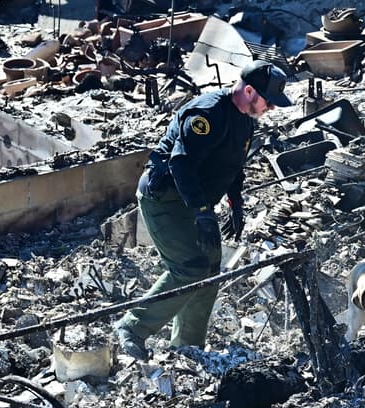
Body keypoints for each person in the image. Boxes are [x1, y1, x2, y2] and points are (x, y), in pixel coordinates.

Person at [114, 60, 293, 360]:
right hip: (165, 199)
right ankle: (131, 328)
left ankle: (187, 346)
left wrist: (235, 202)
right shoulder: (207, 114)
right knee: (189, 268)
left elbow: (233, 164)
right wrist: (202, 213)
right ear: (249, 91)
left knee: (209, 271)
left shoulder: (245, 119)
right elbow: (181, 164)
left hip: (196, 203)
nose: (271, 109)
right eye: (268, 102)